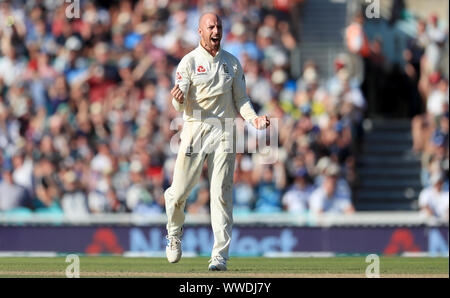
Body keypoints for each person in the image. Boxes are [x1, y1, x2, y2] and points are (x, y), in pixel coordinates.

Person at [164, 13, 270, 271]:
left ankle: (219, 255)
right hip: (195, 129)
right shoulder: (188, 62)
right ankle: (174, 232)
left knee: (221, 192)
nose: (215, 30)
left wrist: (254, 120)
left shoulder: (232, 63)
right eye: (210, 26)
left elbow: (241, 99)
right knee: (178, 193)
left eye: (219, 26)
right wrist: (177, 98)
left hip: (224, 131)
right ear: (200, 32)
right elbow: (179, 103)